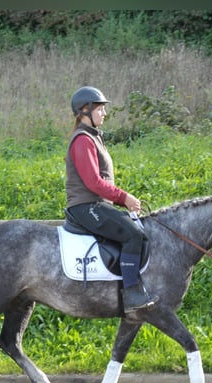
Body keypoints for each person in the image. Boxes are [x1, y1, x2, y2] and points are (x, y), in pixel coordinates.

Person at [64, 85, 158, 313]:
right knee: (134, 235)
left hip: (96, 205)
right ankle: (132, 294)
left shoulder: (94, 138)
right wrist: (123, 198)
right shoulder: (83, 140)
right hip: (86, 206)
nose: (104, 113)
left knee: (139, 233)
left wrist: (119, 200)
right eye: (100, 109)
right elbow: (93, 182)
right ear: (84, 110)